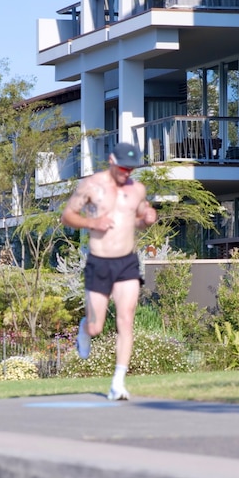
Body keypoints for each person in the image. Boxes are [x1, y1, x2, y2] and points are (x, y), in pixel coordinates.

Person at [60, 142, 157, 401]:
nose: (127, 173)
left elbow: (138, 219)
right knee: (96, 326)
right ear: (112, 161)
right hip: (99, 261)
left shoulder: (137, 189)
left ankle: (118, 383)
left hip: (127, 261)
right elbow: (67, 216)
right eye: (124, 168)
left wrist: (146, 220)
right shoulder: (92, 186)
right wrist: (93, 222)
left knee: (126, 319)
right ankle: (84, 328)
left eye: (131, 169)